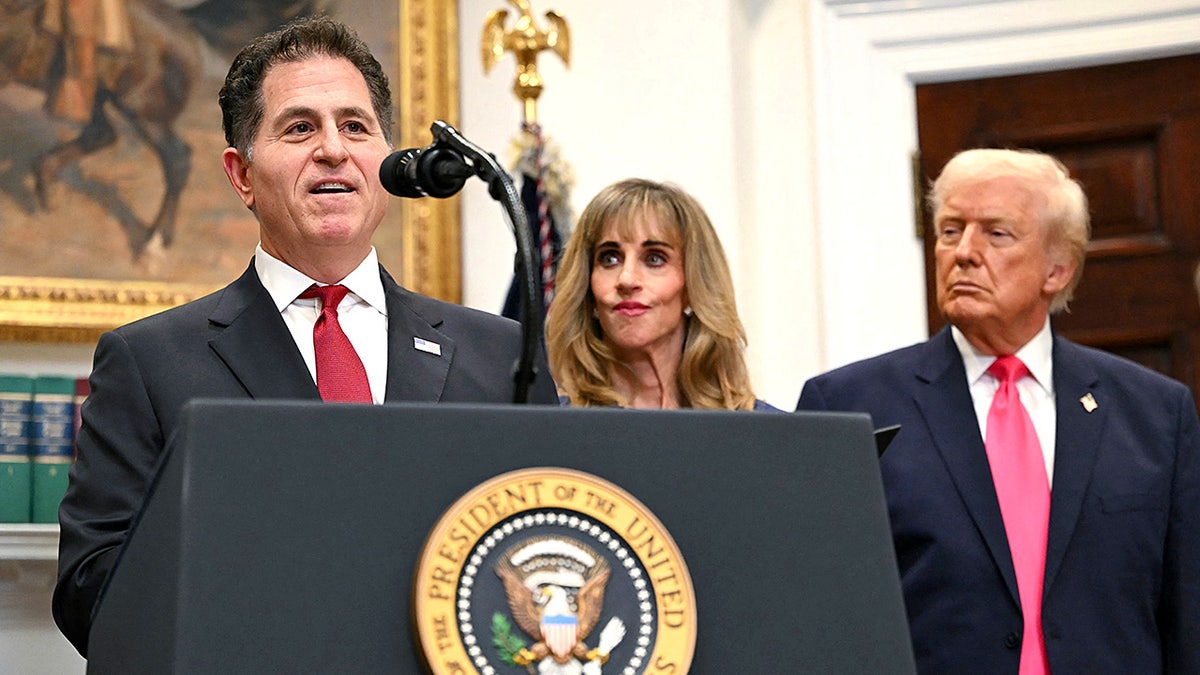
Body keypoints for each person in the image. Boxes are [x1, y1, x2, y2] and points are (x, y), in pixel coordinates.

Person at [53, 16, 558, 657]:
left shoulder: (500, 355)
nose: (333, 150)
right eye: (299, 127)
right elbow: (88, 591)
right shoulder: (150, 362)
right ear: (241, 175)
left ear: (389, 160)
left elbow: (544, 547)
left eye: (355, 126)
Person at [797, 148, 1199, 673]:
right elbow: (820, 614)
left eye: (996, 233)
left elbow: (1186, 613)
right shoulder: (847, 407)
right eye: (949, 230)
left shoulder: (1156, 414)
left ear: (1057, 269)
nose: (963, 252)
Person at [545, 178, 774, 411]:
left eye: (654, 259)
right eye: (610, 258)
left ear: (692, 285)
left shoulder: (764, 432)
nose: (627, 279)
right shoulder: (551, 431)